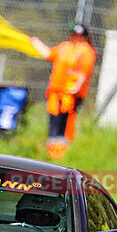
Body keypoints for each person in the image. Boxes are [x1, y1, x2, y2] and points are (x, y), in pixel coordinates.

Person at [29, 23, 97, 159]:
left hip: (70, 96)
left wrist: (76, 87)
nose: (76, 38)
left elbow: (85, 72)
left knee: (65, 124)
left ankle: (61, 154)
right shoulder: (65, 46)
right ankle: (51, 154)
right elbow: (48, 54)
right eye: (74, 34)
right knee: (54, 121)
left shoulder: (86, 51)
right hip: (56, 94)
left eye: (80, 35)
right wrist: (35, 42)